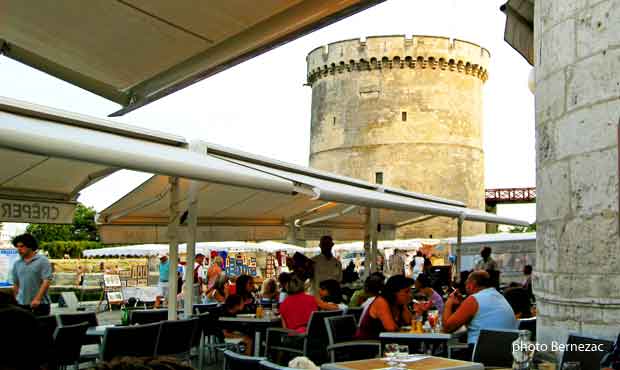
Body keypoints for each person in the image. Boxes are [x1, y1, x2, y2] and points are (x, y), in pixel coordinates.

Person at [442, 271, 517, 351]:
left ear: (472, 284)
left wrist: (448, 303)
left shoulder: (474, 299)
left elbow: (447, 328)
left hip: (481, 353)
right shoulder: (499, 296)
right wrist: (462, 304)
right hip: (505, 353)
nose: (465, 286)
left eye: (466, 283)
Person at [355, 275, 414, 340]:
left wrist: (418, 312)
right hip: (369, 344)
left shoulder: (399, 303)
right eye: (406, 292)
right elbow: (391, 328)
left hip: (387, 343)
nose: (410, 295)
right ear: (394, 292)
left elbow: (410, 322)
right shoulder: (381, 302)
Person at [11, 233, 53, 316]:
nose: (19, 249)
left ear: (30, 246)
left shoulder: (43, 260)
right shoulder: (17, 263)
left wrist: (37, 299)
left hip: (40, 304)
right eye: (17, 247)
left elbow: (46, 281)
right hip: (22, 305)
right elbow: (16, 283)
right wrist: (16, 299)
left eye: (22, 246)